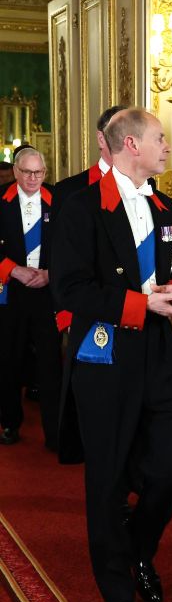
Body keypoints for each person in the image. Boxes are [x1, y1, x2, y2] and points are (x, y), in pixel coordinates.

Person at [51, 108, 172, 602]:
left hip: (157, 353)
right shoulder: (80, 208)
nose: (167, 147)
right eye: (161, 139)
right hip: (105, 354)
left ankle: (137, 550)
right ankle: (118, 595)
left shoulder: (165, 206)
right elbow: (70, 289)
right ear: (130, 145)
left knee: (170, 470)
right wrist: (140, 304)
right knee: (107, 481)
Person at [0, 148, 62, 449]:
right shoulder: (1, 200)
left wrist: (51, 273)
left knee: (51, 364)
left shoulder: (59, 200)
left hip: (47, 293)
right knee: (8, 360)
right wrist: (13, 271)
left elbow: (72, 246)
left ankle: (55, 431)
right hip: (10, 293)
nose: (32, 178)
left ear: (45, 172)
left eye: (38, 172)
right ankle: (10, 422)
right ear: (15, 171)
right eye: (26, 172)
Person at [51, 104, 126, 332]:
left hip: (136, 309)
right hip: (87, 310)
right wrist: (65, 314)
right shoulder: (69, 191)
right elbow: (59, 258)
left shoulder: (149, 190)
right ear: (102, 139)